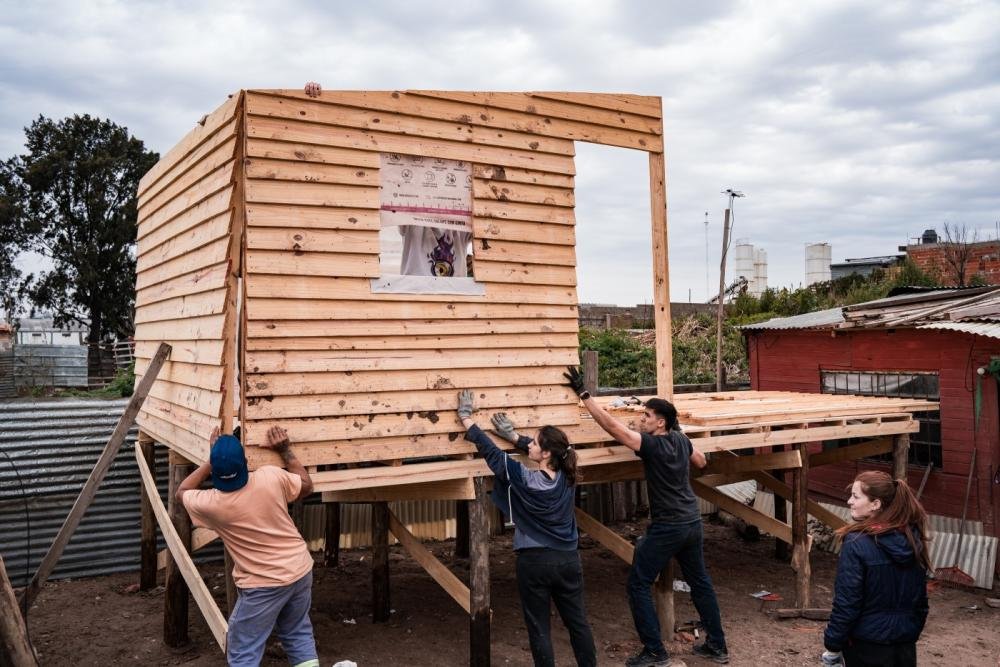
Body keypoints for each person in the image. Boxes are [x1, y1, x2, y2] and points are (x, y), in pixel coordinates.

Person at [564, 367, 729, 667]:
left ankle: (655, 651)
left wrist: (585, 395)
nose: (642, 420)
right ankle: (717, 646)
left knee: (638, 584)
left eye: (647, 417)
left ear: (661, 422)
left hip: (669, 527)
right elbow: (702, 461)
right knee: (701, 582)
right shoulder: (681, 439)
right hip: (692, 522)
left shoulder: (652, 445)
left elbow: (615, 430)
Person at [457, 389, 597, 667]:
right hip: (568, 559)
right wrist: (513, 437)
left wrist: (466, 419)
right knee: (578, 622)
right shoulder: (569, 476)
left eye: (533, 443)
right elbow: (545, 454)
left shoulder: (527, 479)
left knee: (539, 627)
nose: (528, 445)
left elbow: (494, 456)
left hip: (534, 563)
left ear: (545, 453)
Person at [177, 427, 318, 667]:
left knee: (243, 650)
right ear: (245, 461)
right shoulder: (269, 477)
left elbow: (181, 492)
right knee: (297, 632)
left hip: (263, 584)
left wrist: (212, 460)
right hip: (300, 569)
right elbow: (306, 486)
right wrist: (285, 451)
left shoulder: (211, 504)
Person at [303, 81, 472, 278]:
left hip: (456, 304)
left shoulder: (462, 222)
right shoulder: (412, 217)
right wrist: (317, 106)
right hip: (416, 301)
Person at [822, 471, 930, 667]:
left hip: (866, 647)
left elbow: (847, 603)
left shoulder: (856, 543)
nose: (849, 501)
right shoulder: (912, 539)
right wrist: (909, 631)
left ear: (876, 504)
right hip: (904, 646)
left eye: (856, 496)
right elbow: (921, 602)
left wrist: (832, 645)